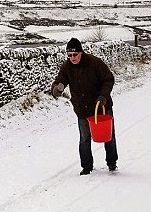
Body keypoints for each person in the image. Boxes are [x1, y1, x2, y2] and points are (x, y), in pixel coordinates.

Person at [51, 38, 118, 175]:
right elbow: (60, 80)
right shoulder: (66, 67)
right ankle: (86, 167)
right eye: (69, 55)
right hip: (82, 109)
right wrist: (57, 88)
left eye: (75, 55)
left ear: (81, 52)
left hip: (101, 106)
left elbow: (108, 79)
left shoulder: (95, 63)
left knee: (109, 136)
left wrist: (103, 96)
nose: (72, 58)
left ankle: (112, 163)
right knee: (84, 138)